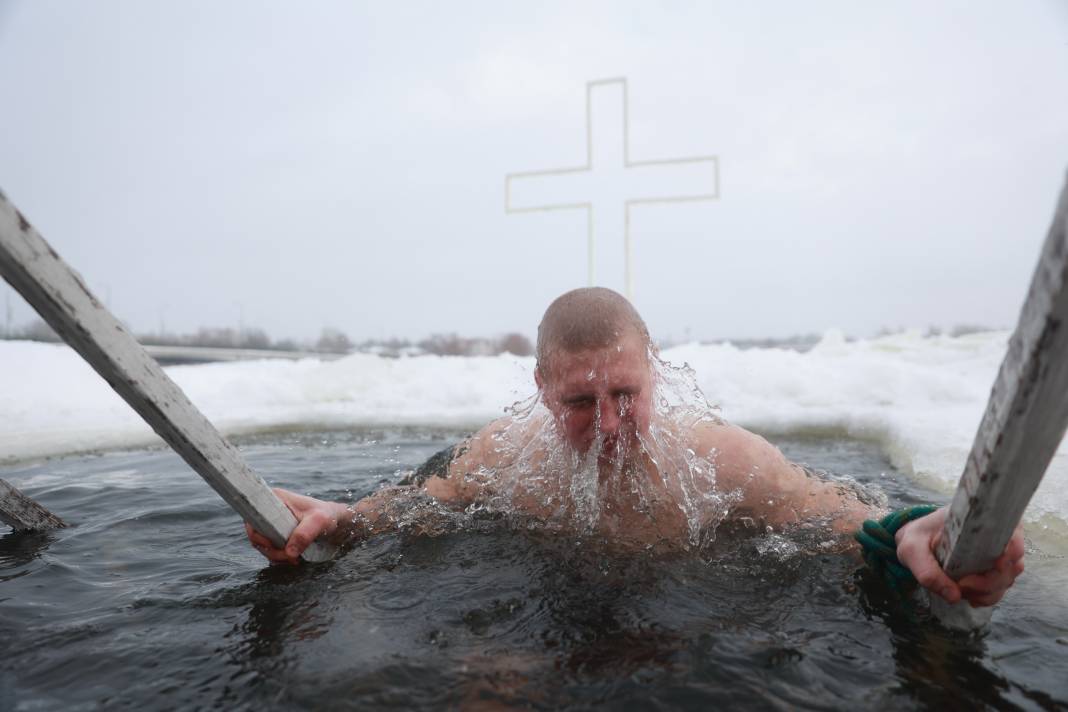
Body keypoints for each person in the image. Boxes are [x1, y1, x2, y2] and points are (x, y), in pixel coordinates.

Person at [246, 288, 1024, 608]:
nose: (612, 423)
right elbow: (419, 508)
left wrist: (923, 530)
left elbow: (839, 520)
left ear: (654, 375)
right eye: (582, 404)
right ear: (543, 388)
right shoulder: (506, 460)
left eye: (627, 395)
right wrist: (343, 521)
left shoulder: (722, 461)